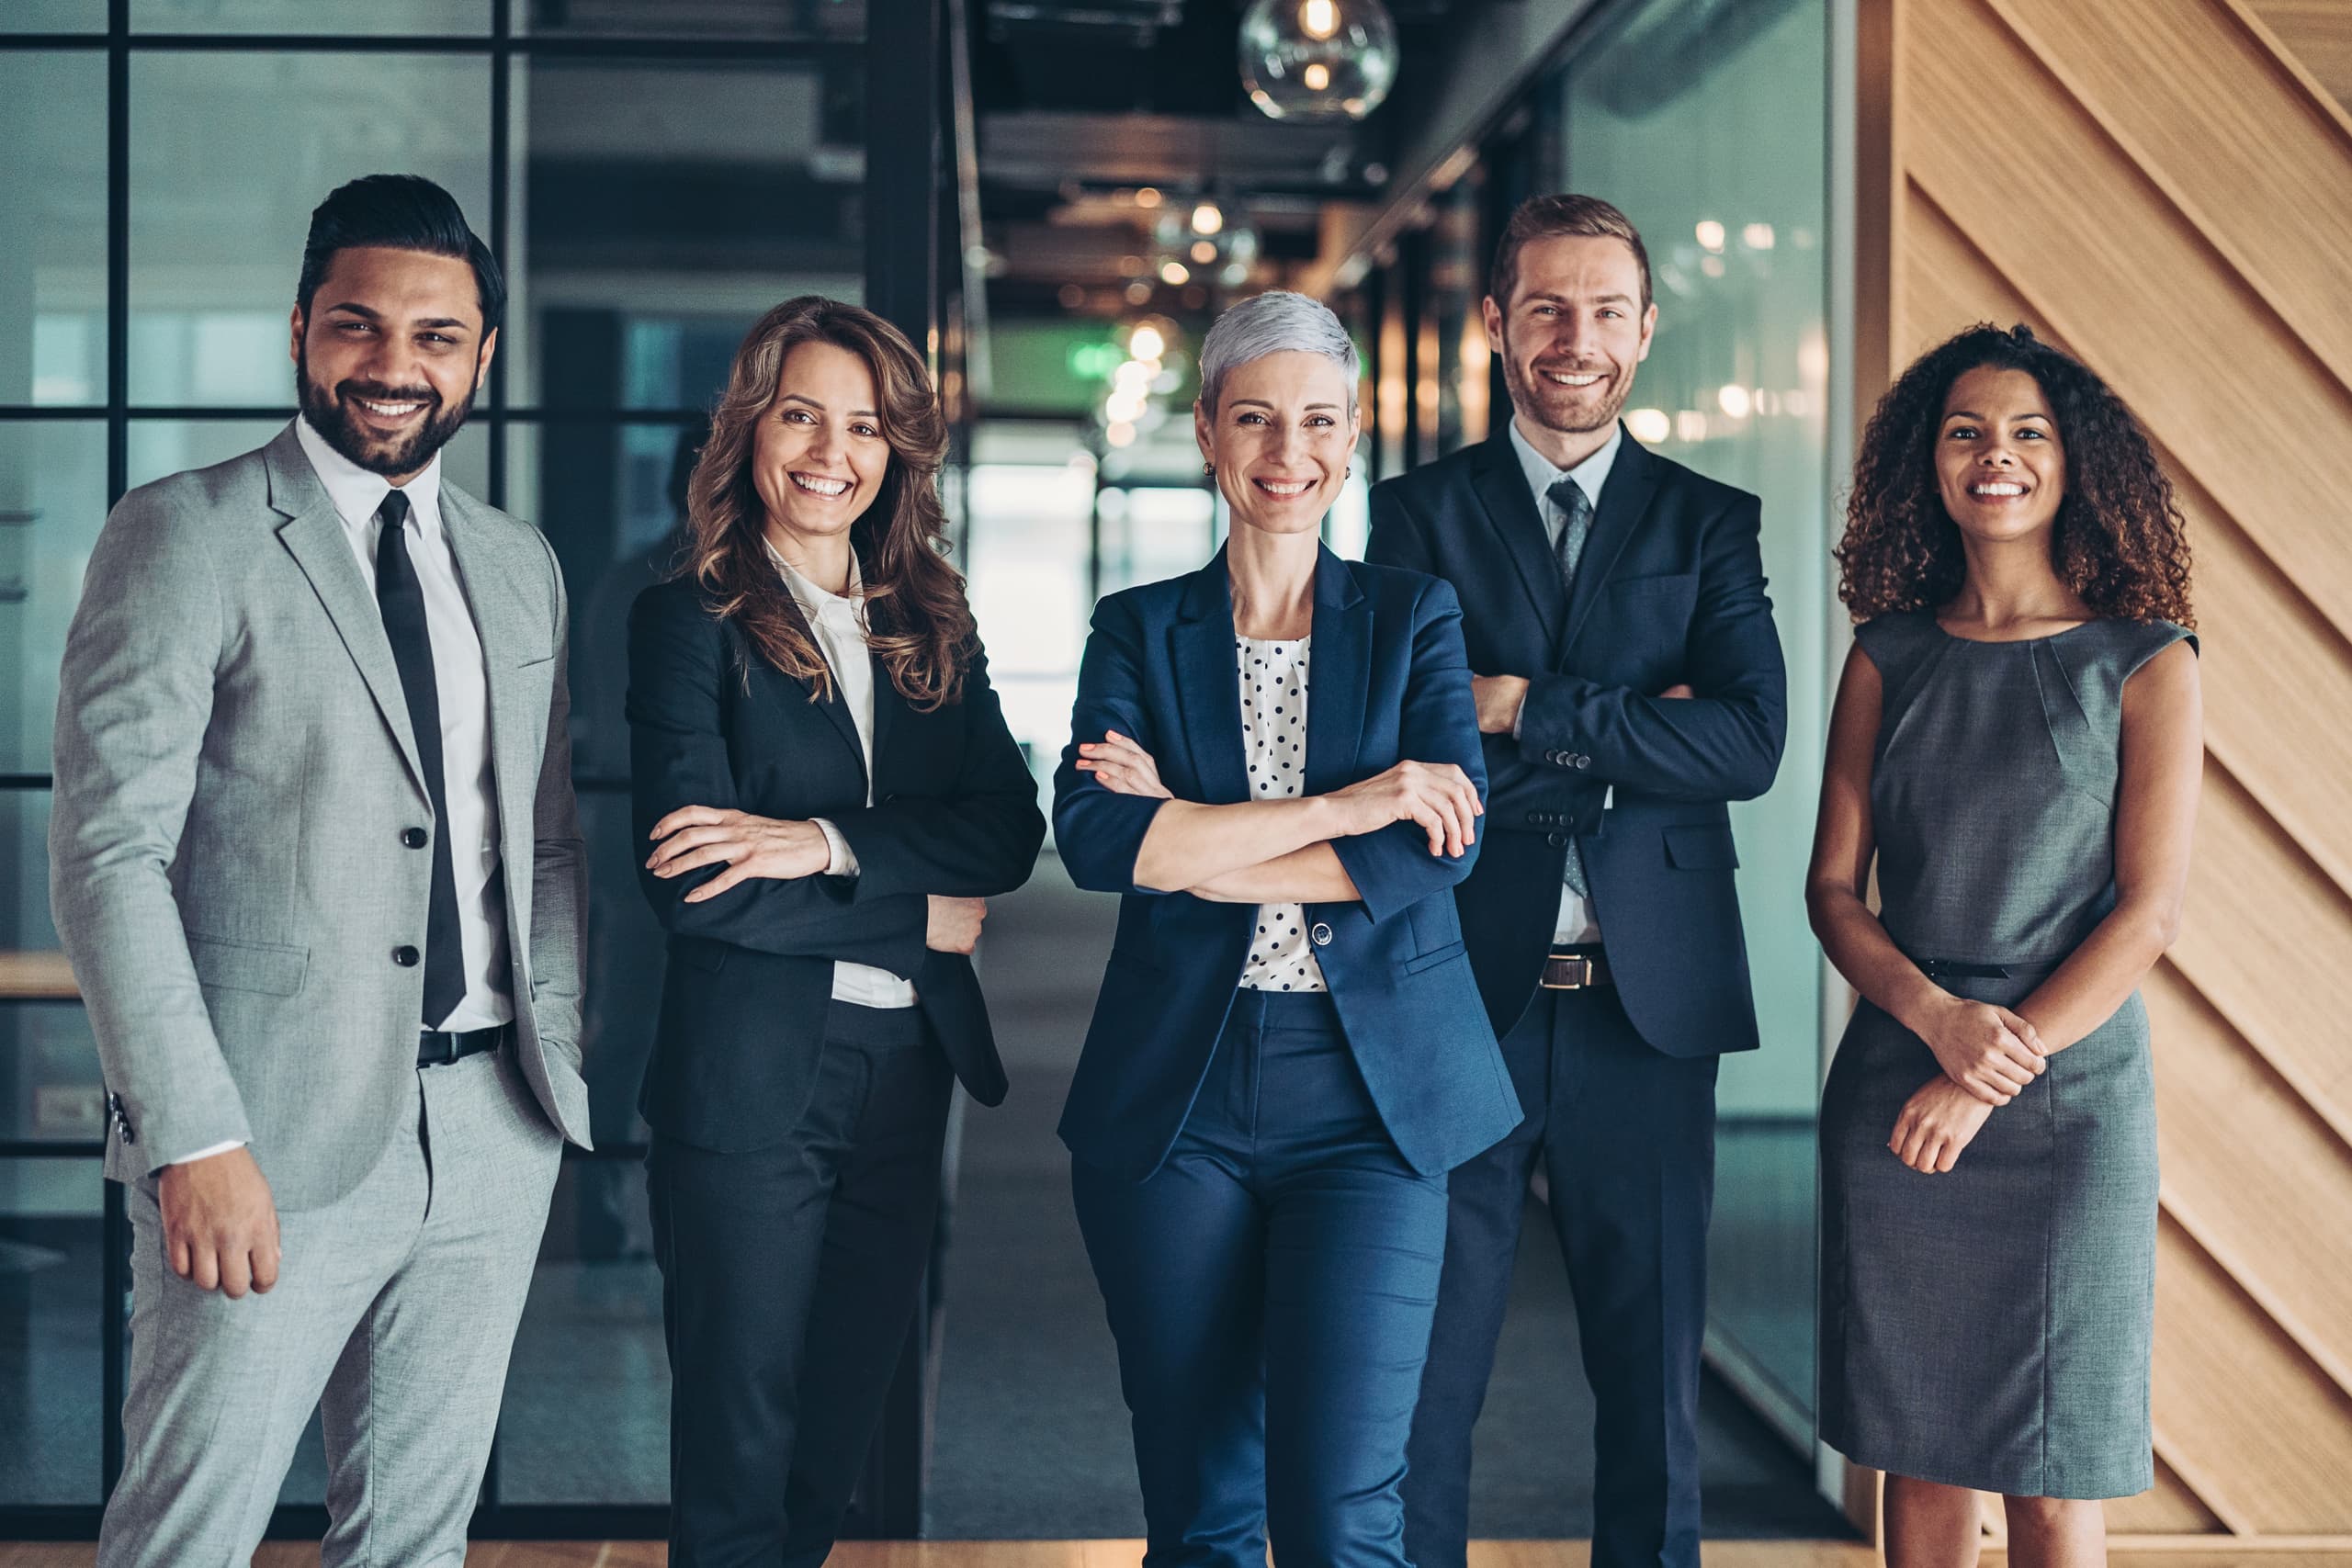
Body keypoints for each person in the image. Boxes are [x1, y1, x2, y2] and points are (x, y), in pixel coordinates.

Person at [50, 174, 589, 1566]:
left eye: (436, 336)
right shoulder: (186, 532)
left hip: (492, 1131)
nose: (396, 367)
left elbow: (539, 845)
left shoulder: (519, 567)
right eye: (359, 326)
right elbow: (109, 855)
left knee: (415, 1544)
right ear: (299, 329)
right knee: (188, 1535)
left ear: (480, 353)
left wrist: (555, 1070)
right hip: (261, 1137)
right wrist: (192, 1136)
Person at [1054, 288, 1521, 1566]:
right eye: (1254, 419)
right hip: (1177, 1102)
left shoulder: (1414, 616)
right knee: (1202, 1510)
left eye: (1317, 421)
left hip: (1374, 1105)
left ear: (1354, 433)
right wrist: (1348, 805)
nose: (1285, 453)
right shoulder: (1137, 629)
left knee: (1343, 1507)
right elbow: (1102, 846)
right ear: (1207, 431)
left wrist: (1194, 841)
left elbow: (1438, 854)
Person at [1367, 193, 1789, 1568]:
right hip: (1458, 998)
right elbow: (1407, 749)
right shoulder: (1415, 517)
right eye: (1547, 306)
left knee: (1652, 1386)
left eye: (1608, 309)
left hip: (1644, 1006)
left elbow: (1749, 739)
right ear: (1495, 324)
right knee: (1426, 1381)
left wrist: (1527, 708)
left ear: (1649, 329)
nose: (1577, 337)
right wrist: (1630, 723)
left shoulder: (1711, 520)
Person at [626, 295, 1045, 1567]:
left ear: (897, 452)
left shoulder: (931, 622)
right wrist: (916, 909)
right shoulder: (685, 620)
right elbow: (696, 886)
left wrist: (815, 841)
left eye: (863, 426)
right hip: (749, 1085)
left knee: (838, 1435)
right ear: (749, 426)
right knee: (738, 1442)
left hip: (904, 1078)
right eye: (801, 414)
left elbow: (1006, 832)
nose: (830, 451)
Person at [1809, 322, 2199, 1568]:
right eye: (1967, 431)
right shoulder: (1888, 654)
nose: (1998, 456)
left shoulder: (2146, 660)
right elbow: (1832, 890)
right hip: (1896, 1085)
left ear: (2075, 461)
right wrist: (1936, 1024)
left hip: (2067, 1102)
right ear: (1926, 465)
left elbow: (2145, 916)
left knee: (2050, 1470)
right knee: (1916, 1458)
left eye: (2029, 431)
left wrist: (1986, 1068)